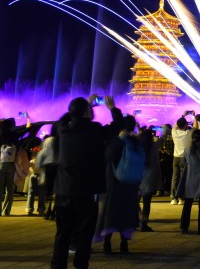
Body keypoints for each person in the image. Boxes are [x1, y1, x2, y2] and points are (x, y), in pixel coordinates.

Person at [50, 95, 124, 269]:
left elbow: (60, 120)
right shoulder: (95, 130)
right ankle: (81, 264)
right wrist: (112, 108)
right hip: (87, 190)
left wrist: (84, 106)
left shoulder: (63, 129)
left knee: (63, 232)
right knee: (85, 232)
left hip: (64, 190)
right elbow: (118, 125)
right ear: (86, 113)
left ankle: (57, 264)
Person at [96, 115, 142, 254]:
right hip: (130, 184)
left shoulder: (116, 142)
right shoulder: (135, 142)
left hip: (114, 182)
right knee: (126, 212)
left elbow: (106, 158)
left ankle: (107, 243)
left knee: (111, 212)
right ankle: (124, 244)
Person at [178, 129, 200, 234]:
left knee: (187, 204)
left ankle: (184, 227)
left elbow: (183, 163)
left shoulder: (187, 150)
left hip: (190, 179)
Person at [138, 127, 162, 232]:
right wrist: (159, 128)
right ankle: (144, 224)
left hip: (137, 179)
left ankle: (134, 222)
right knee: (147, 203)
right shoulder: (154, 147)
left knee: (136, 201)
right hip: (150, 179)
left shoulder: (137, 148)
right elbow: (164, 135)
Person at [171, 117, 193, 205]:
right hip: (185, 158)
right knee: (183, 178)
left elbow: (175, 125)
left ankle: (173, 198)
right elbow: (195, 127)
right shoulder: (188, 133)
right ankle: (181, 198)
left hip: (176, 157)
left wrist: (183, 116)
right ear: (185, 125)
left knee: (175, 178)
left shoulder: (174, 132)